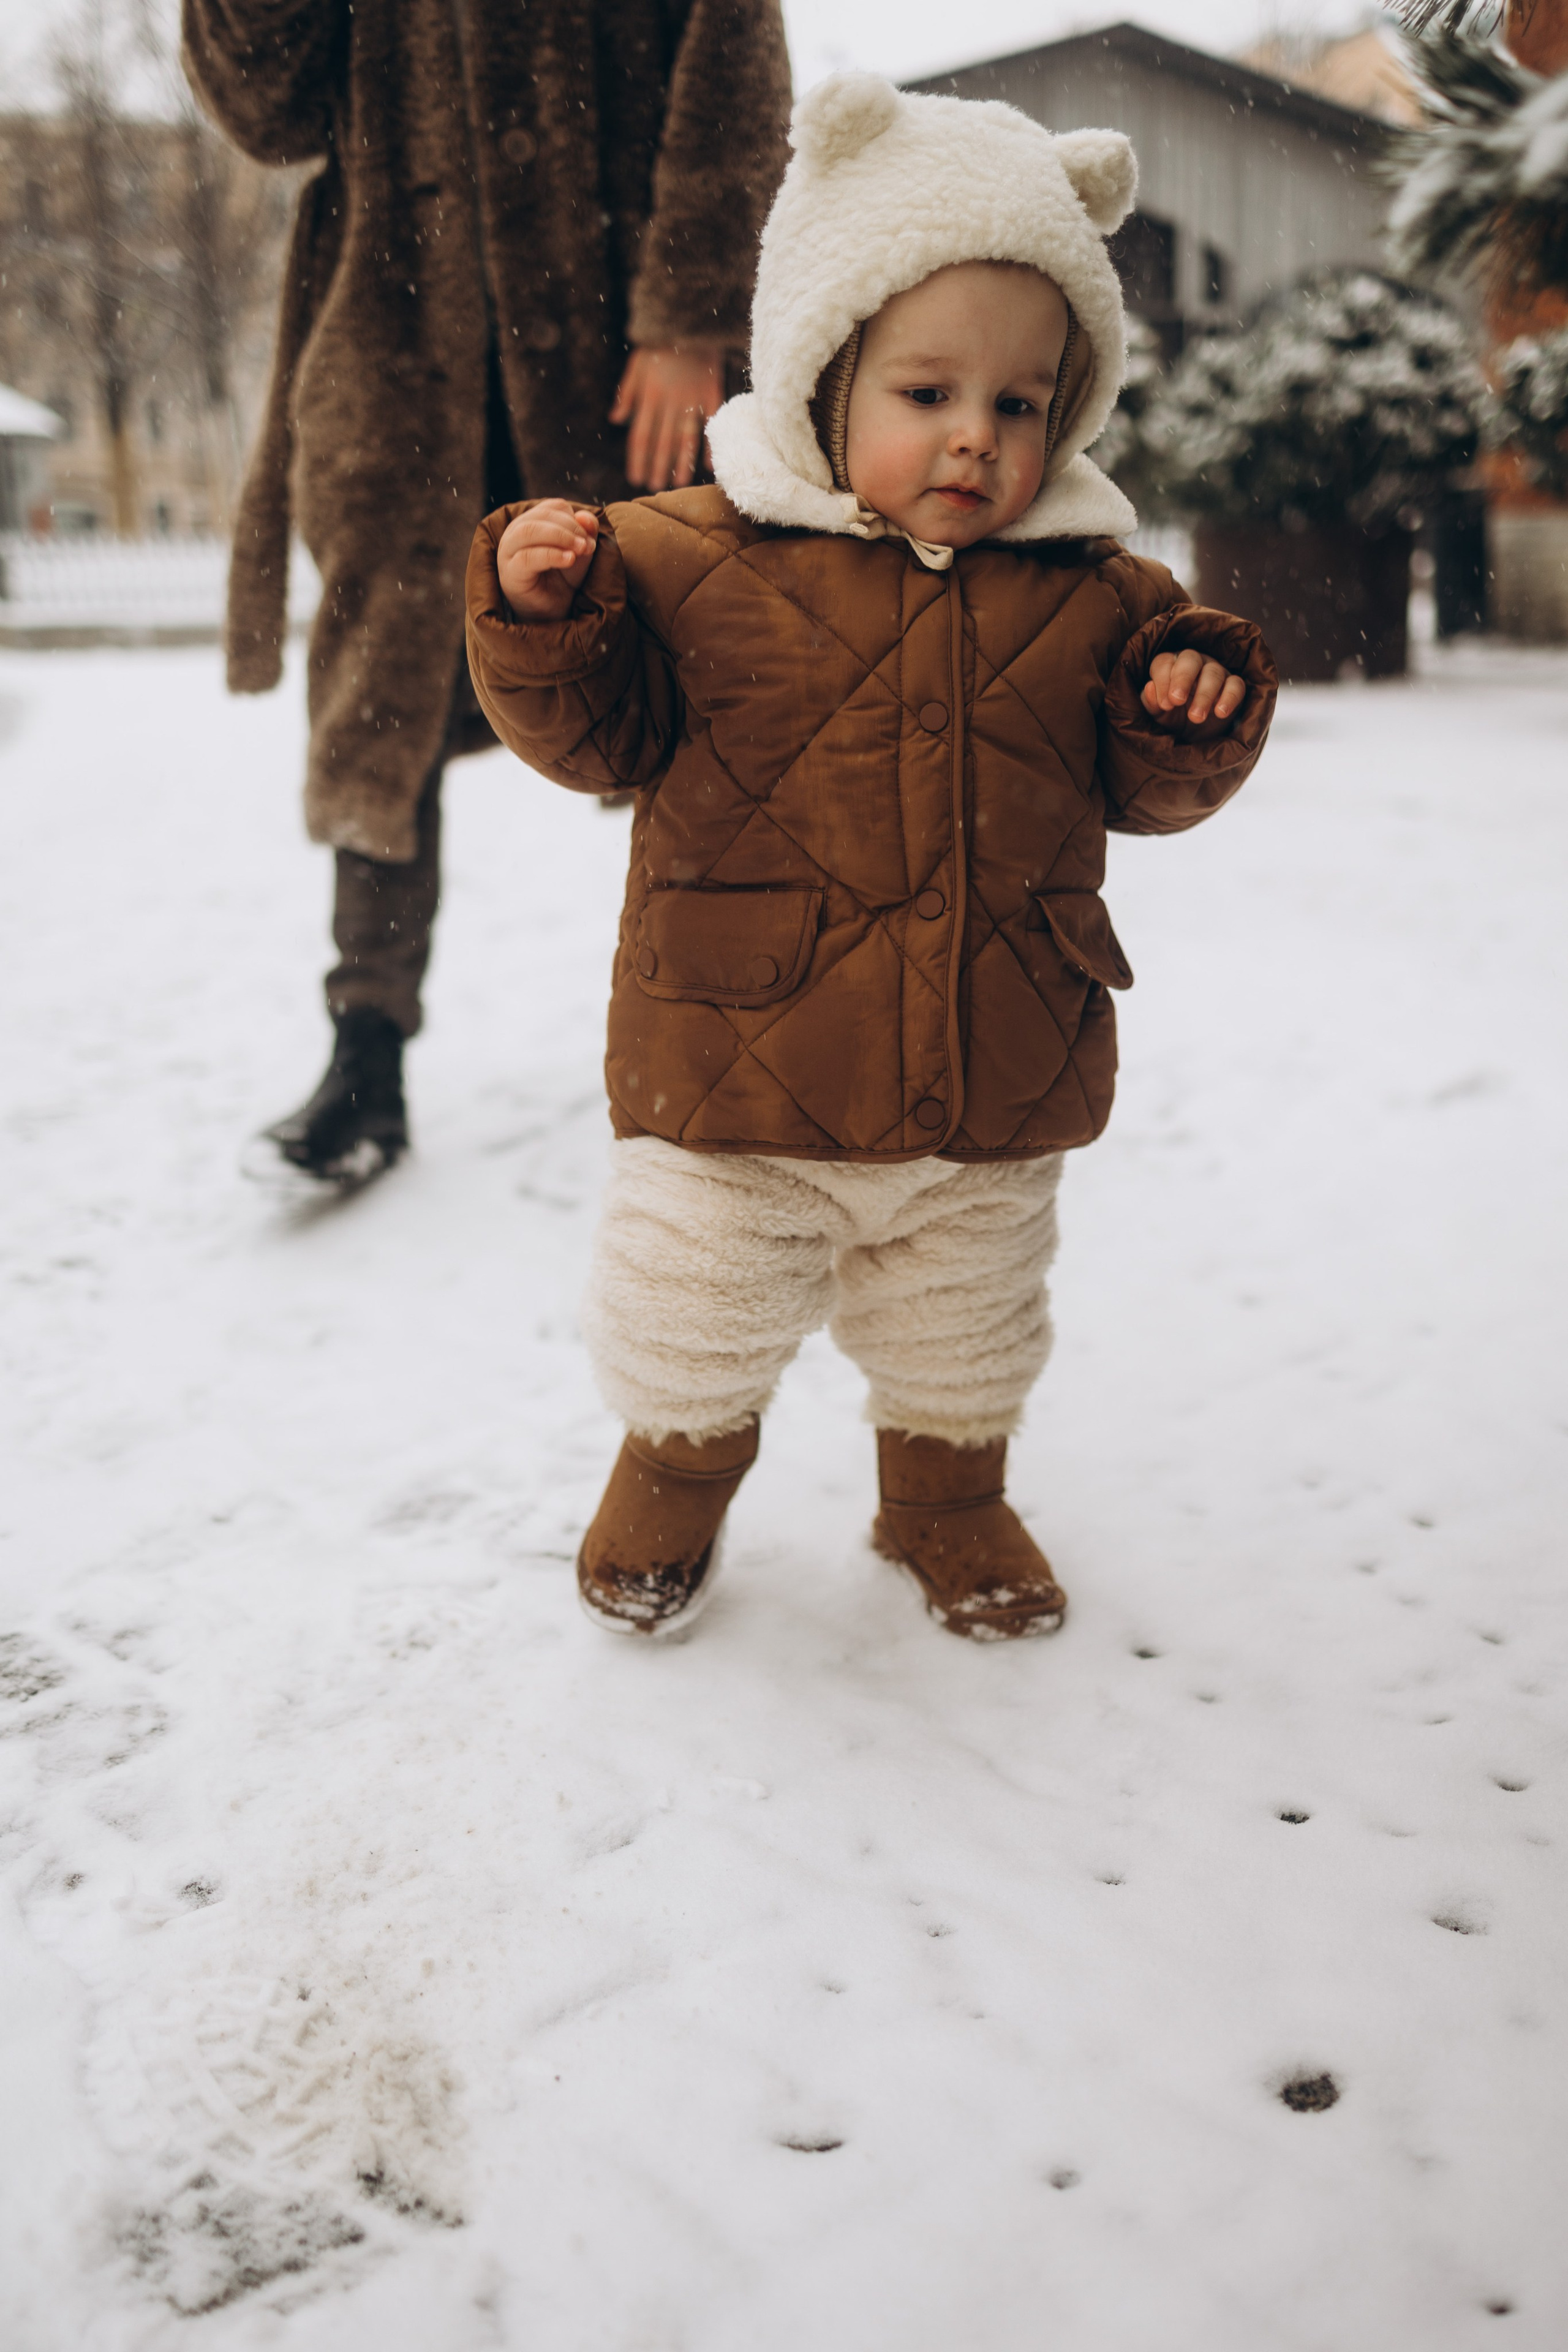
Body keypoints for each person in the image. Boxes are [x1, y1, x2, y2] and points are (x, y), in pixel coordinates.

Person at [464, 75, 1279, 1641]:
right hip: (737, 1074)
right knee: (690, 1313)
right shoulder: (679, 558)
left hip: (987, 1073)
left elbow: (1142, 791)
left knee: (964, 1330)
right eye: (926, 394)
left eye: (1020, 405)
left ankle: (945, 1500)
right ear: (824, 373)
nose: (975, 439)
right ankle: (676, 1478)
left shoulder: (1106, 596)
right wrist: (541, 615)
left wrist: (1192, 713)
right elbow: (590, 742)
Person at [180, 0, 792, 1183]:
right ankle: (365, 1052)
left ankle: (739, 1028)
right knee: (375, 714)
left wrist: (692, 303)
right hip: (394, 344)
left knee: (693, 685)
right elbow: (271, 112)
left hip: (621, 335)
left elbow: (734, 58)